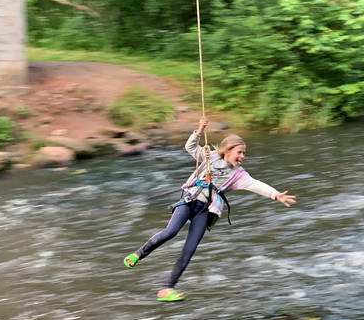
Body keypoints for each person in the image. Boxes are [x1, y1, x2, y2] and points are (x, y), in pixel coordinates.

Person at [123, 117, 296, 301]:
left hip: (205, 211)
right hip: (189, 201)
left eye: (244, 153)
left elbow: (256, 184)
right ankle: (138, 254)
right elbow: (190, 148)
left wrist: (276, 194)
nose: (242, 156)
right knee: (171, 231)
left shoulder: (239, 175)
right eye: (239, 152)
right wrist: (199, 130)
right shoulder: (209, 156)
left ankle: (166, 289)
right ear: (228, 150)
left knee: (189, 249)